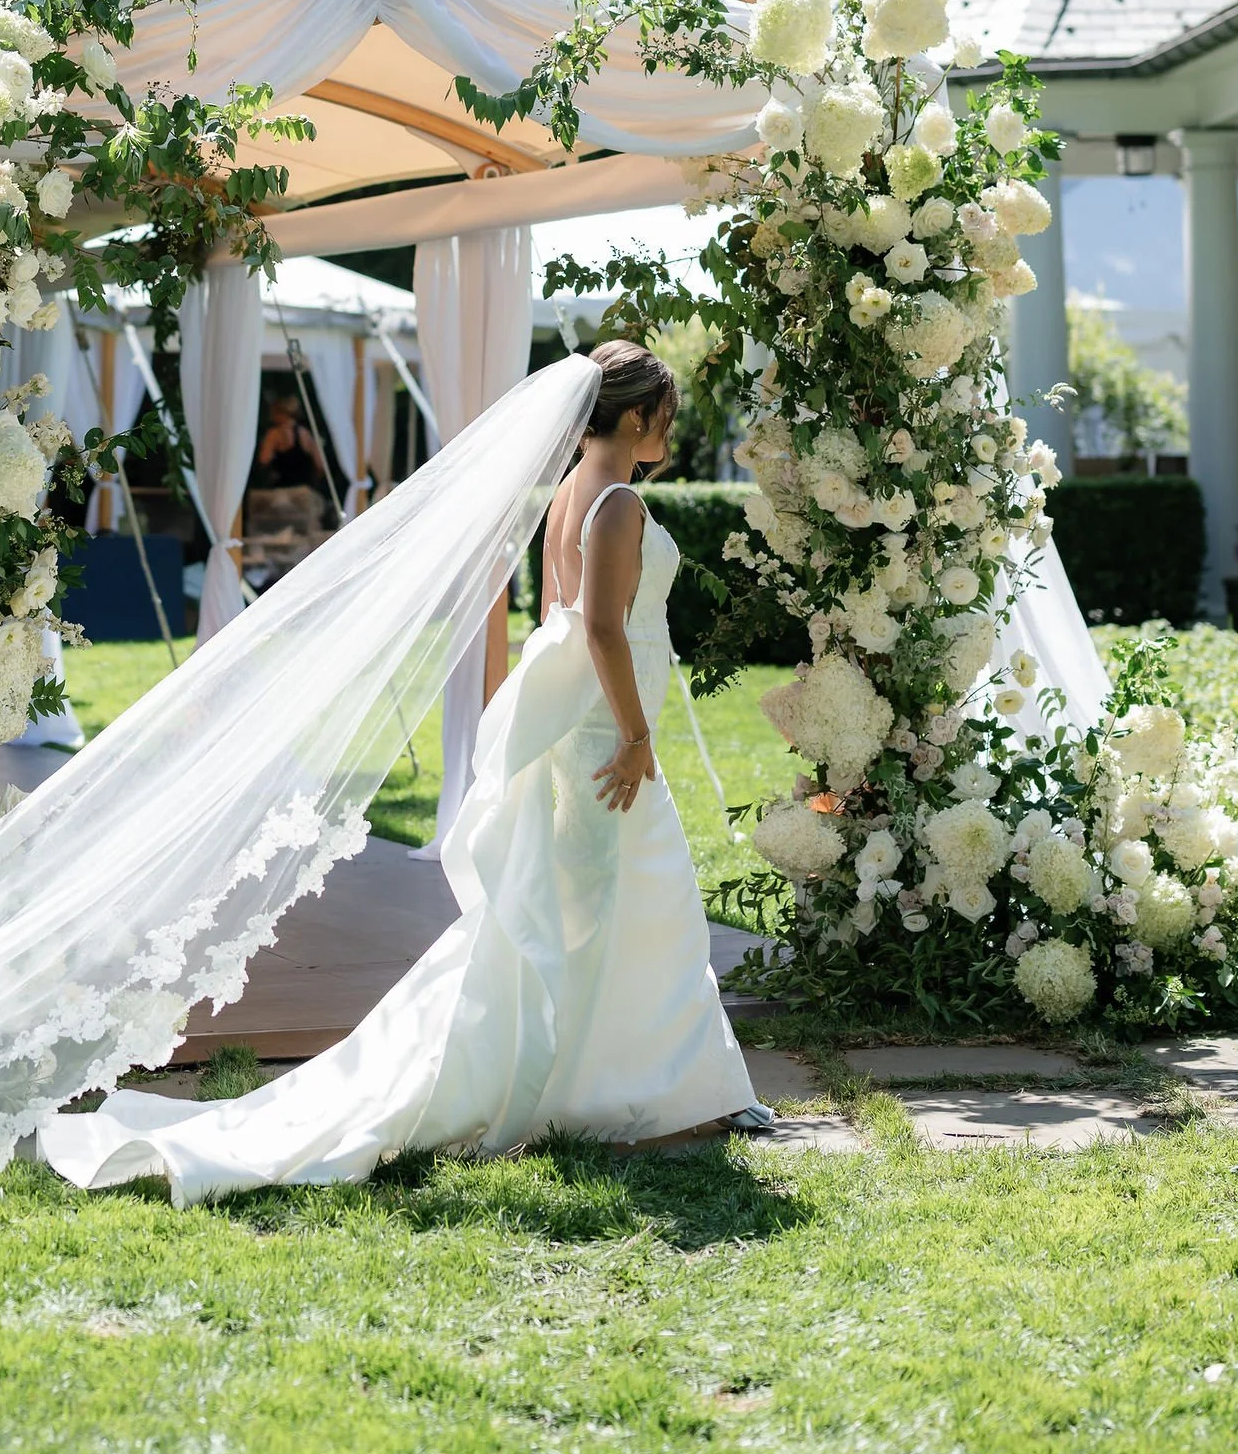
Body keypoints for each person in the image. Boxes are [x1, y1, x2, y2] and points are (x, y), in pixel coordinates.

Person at [39, 340, 768, 1204]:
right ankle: (650, 1094)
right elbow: (603, 629)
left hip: (583, 725)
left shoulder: (574, 493)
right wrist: (638, 737)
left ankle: (633, 1089)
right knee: (627, 902)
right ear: (641, 417)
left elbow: (566, 625)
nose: (671, 436)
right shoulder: (617, 508)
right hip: (606, 733)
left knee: (596, 908)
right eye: (668, 420)